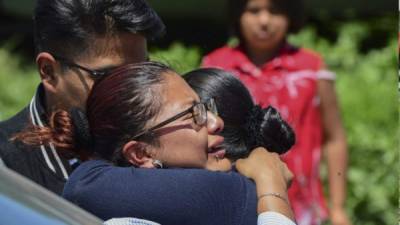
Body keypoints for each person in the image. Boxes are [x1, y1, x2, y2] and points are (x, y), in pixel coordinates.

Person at [15, 61, 296, 225]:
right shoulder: (231, 193)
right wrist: (271, 186)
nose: (215, 122)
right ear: (140, 153)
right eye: (193, 114)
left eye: (205, 107)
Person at [202, 0, 350, 225]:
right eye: (253, 11)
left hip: (301, 206)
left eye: (275, 11)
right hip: (234, 199)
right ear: (238, 14)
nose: (264, 21)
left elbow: (335, 138)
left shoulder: (311, 68)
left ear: (291, 15)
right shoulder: (216, 66)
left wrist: (338, 208)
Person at [0, 0, 165, 195]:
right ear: (49, 71)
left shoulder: (166, 132)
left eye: (142, 71)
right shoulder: (7, 168)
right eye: (108, 76)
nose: (135, 90)